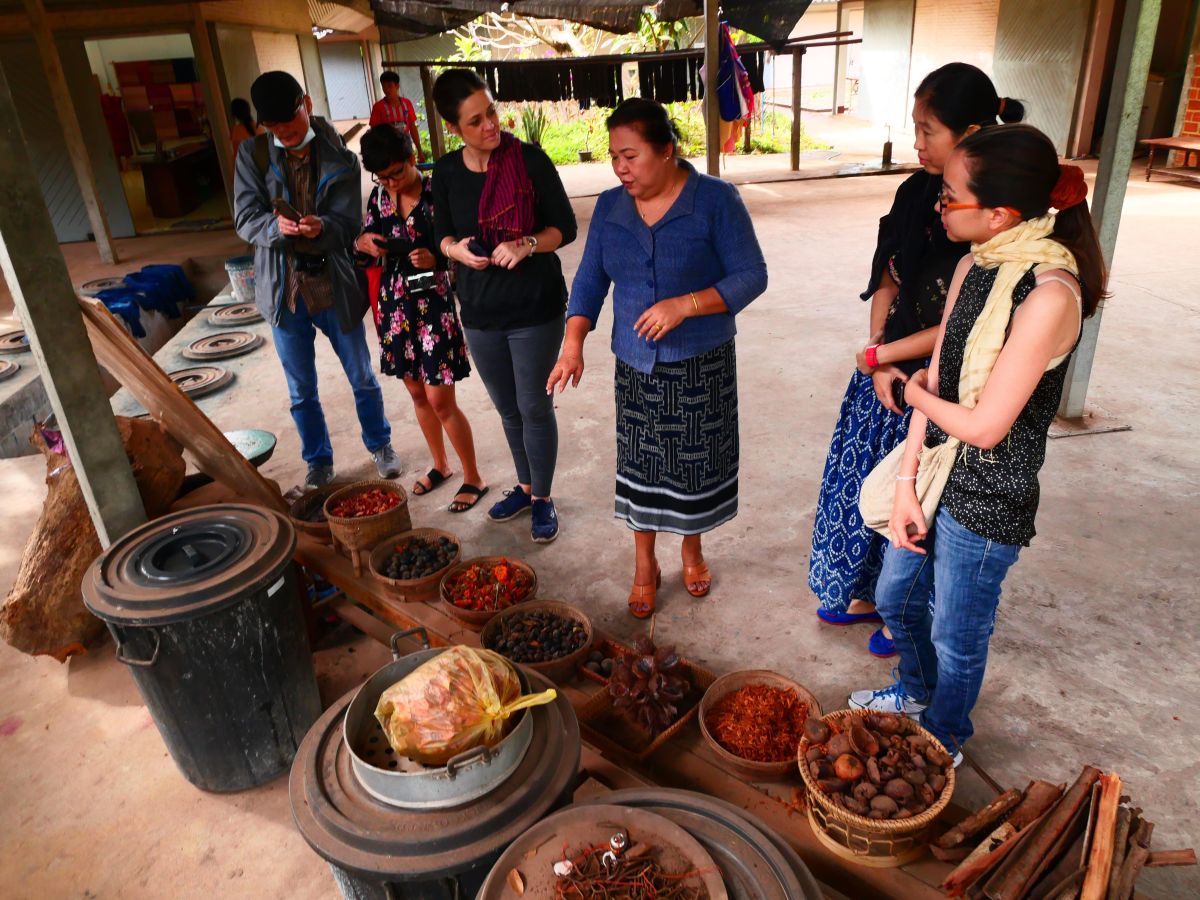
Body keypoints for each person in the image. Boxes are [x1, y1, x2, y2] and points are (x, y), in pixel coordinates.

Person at [848, 124, 1106, 763]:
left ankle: (944, 736)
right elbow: (940, 370)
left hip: (990, 494)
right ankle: (913, 689)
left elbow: (987, 426)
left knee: (957, 634)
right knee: (893, 597)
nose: (939, 206)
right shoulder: (975, 263)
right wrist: (907, 483)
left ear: (999, 213)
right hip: (935, 470)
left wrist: (910, 394)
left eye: (949, 197)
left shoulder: (1049, 293)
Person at [808, 63, 1024, 658]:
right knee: (862, 485)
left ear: (972, 131)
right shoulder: (914, 193)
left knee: (920, 498)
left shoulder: (989, 215)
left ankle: (903, 612)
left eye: (929, 131)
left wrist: (884, 356)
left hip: (935, 383)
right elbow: (888, 274)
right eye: (915, 128)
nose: (918, 143)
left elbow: (962, 322)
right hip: (887, 372)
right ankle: (863, 592)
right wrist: (877, 357)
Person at [549, 98, 767, 618]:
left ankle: (692, 550)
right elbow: (589, 280)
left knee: (693, 472)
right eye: (613, 157)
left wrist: (685, 305)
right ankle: (644, 563)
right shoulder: (610, 206)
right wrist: (573, 342)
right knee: (640, 466)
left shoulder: (715, 200)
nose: (620, 168)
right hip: (636, 366)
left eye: (631, 156)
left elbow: (751, 275)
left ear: (667, 151)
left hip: (700, 364)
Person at [233, 71, 401, 488]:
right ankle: (318, 462)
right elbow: (244, 219)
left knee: (361, 374)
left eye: (291, 128)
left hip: (330, 280)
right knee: (301, 389)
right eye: (275, 131)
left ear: (306, 104)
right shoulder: (251, 156)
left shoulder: (340, 156)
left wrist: (320, 228)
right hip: (282, 287)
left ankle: (380, 445)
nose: (285, 136)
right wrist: (277, 230)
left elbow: (348, 224)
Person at [431, 69, 577, 543]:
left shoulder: (529, 161)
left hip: (535, 308)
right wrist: (456, 252)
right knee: (508, 409)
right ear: (455, 129)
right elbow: (442, 236)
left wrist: (527, 243)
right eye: (476, 121)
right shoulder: (448, 173)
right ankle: (526, 484)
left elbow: (565, 228)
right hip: (480, 311)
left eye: (491, 112)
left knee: (534, 405)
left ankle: (543, 499)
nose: (491, 125)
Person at [354, 124, 487, 512]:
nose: (392, 183)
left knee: (440, 398)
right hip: (395, 305)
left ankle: (473, 476)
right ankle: (440, 466)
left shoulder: (438, 195)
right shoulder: (380, 198)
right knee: (416, 393)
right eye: (383, 177)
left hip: (434, 304)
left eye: (397, 173)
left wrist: (438, 257)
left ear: (413, 159)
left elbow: (469, 249)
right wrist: (362, 243)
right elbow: (366, 246)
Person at [369, 71, 425, 163]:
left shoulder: (407, 103)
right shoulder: (378, 107)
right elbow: (374, 131)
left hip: (406, 147)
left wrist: (419, 150)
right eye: (384, 86)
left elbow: (412, 127)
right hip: (388, 149)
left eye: (389, 86)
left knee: (409, 170)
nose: (386, 90)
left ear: (397, 86)